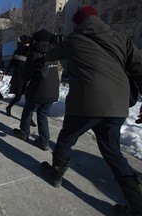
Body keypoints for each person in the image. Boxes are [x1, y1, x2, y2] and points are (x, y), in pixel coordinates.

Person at [39, 6, 142, 216]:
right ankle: (137, 204)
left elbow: (50, 55)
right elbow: (139, 67)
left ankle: (56, 175)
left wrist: (51, 43)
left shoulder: (72, 40)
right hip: (118, 105)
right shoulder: (121, 38)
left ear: (77, 23)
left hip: (85, 104)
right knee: (112, 152)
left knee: (67, 139)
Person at [13, 29, 60, 151]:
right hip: (53, 90)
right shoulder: (55, 52)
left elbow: (27, 73)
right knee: (42, 114)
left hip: (38, 90)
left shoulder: (35, 53)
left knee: (28, 109)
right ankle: (44, 141)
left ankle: (24, 132)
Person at [4, 35, 36, 127]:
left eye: (28, 43)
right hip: (19, 77)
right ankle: (9, 107)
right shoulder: (17, 52)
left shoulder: (31, 52)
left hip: (28, 78)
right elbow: (12, 63)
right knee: (18, 97)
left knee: (29, 99)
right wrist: (5, 72)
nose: (27, 45)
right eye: (26, 43)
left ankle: (29, 118)